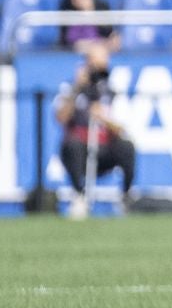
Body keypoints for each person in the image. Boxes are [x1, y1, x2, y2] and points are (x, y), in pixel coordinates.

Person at [56, 42, 135, 218]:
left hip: (105, 147)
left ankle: (125, 196)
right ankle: (79, 196)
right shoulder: (71, 88)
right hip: (80, 146)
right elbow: (60, 117)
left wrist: (103, 118)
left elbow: (122, 126)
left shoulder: (112, 91)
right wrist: (78, 87)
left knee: (127, 147)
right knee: (72, 145)